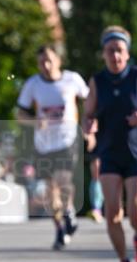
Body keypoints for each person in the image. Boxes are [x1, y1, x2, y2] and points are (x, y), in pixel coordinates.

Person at [83, 25, 137, 262]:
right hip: (109, 153)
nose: (115, 55)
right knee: (112, 212)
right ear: (103, 53)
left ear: (127, 53)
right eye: (110, 50)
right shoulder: (97, 82)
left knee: (136, 213)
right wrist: (89, 127)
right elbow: (87, 115)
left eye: (119, 50)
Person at [16, 46, 89, 249]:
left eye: (49, 60)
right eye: (41, 62)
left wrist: (89, 125)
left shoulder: (72, 79)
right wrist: (34, 121)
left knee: (63, 180)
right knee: (50, 189)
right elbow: (20, 115)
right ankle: (59, 228)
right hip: (44, 144)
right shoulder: (33, 84)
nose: (46, 66)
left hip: (67, 140)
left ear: (58, 60)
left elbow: (90, 101)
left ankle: (69, 210)